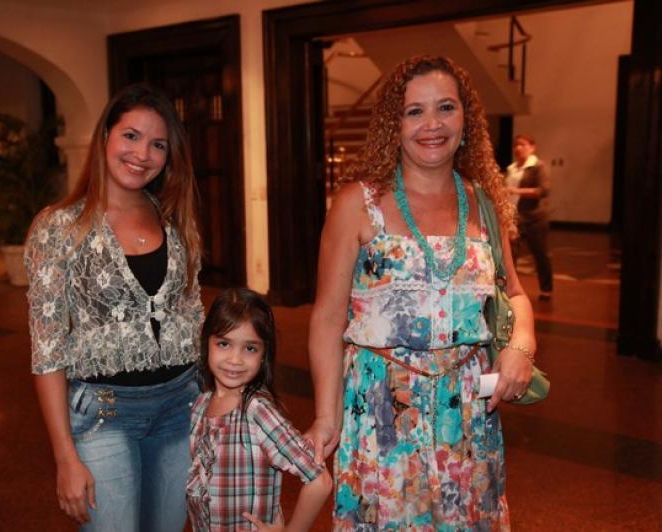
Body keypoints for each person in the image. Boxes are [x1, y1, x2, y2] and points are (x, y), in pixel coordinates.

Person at [305, 55, 536, 530]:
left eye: (445, 107)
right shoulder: (357, 204)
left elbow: (514, 292)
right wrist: (327, 418)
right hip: (382, 416)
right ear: (395, 123)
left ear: (465, 119)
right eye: (415, 111)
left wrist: (522, 345)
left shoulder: (484, 203)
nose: (432, 124)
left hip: (468, 416)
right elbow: (327, 318)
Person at [25, 83, 203, 531]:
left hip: (180, 408)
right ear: (105, 135)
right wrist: (65, 458)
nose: (142, 154)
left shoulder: (174, 219)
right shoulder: (58, 227)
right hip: (103, 416)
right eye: (131, 136)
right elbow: (47, 352)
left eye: (158, 144)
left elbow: (192, 318)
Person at [187, 287, 332, 531]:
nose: (235, 359)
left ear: (264, 354)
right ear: (206, 342)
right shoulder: (200, 406)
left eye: (250, 348)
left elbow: (320, 481)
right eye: (224, 344)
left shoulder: (258, 412)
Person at [506, 134, 553, 300]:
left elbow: (543, 190)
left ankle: (546, 289)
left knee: (540, 253)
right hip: (513, 217)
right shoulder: (512, 168)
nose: (518, 148)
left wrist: (516, 191)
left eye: (523, 144)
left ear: (532, 147)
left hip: (534, 217)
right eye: (516, 145)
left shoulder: (538, 166)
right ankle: (511, 289)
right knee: (510, 254)